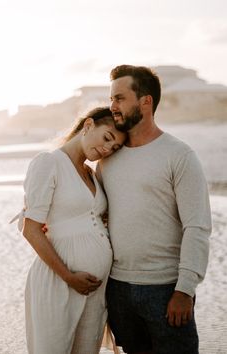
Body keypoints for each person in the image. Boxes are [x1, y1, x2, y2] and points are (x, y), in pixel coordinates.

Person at [98, 65, 212, 354]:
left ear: (145, 101)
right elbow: (93, 211)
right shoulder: (108, 159)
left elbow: (197, 226)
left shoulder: (179, 155)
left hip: (166, 289)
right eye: (111, 98)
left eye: (120, 98)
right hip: (118, 289)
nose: (113, 106)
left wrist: (185, 289)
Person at [12, 107, 126, 354]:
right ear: (88, 125)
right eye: (107, 137)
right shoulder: (49, 163)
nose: (107, 149)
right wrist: (68, 276)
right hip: (58, 281)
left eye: (115, 147)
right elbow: (31, 230)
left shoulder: (92, 174)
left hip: (94, 291)